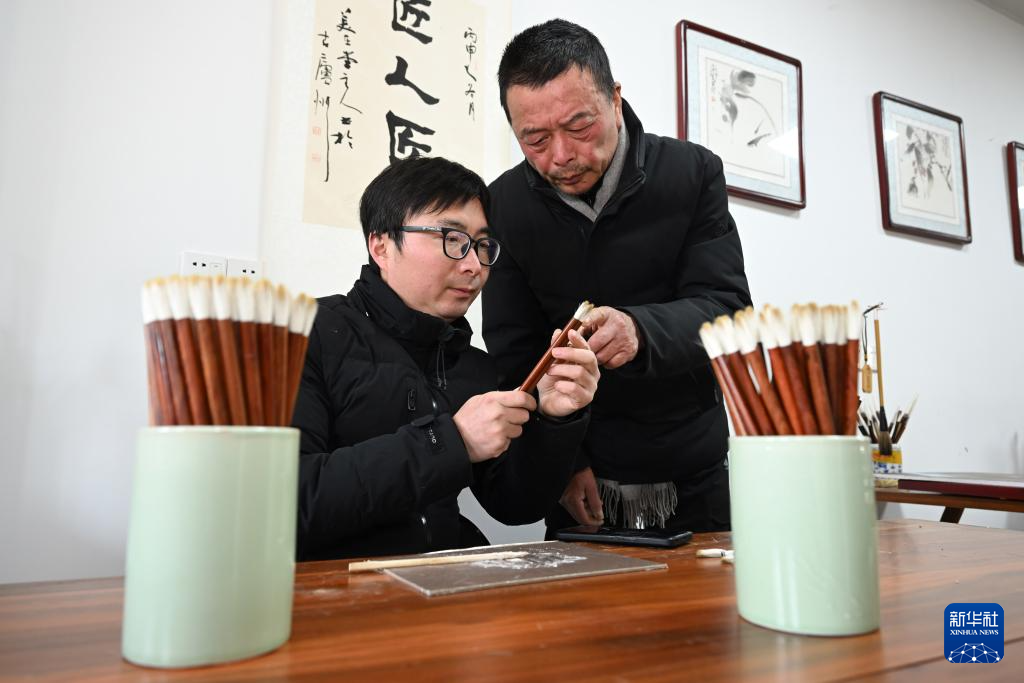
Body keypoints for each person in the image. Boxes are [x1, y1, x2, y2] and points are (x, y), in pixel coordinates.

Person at [482, 19, 751, 535]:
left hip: (692, 466)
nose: (562, 156)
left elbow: (728, 310)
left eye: (579, 127)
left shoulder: (691, 174)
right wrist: (564, 460)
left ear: (614, 98)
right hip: (579, 475)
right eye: (535, 139)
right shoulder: (505, 206)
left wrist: (639, 331)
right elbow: (515, 351)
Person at [292, 156, 600, 561]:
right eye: (452, 239)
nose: (474, 266)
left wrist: (554, 420)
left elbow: (515, 506)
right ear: (381, 246)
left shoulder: (472, 365)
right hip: (336, 586)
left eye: (482, 245)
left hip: (446, 581)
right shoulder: (305, 332)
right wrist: (451, 441)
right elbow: (289, 501)